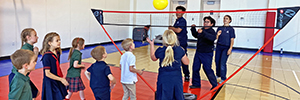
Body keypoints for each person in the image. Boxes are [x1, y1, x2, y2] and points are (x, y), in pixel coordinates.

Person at [146, 30, 189, 100]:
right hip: (176, 78)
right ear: (175, 39)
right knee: (177, 96)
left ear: (164, 39)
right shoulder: (179, 50)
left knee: (163, 96)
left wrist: (151, 45)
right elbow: (186, 62)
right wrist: (183, 53)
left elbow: (153, 58)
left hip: (163, 78)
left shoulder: (160, 50)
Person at [8, 28, 40, 100]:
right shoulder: (26, 49)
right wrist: (35, 54)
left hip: (24, 75)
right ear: (28, 37)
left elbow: (32, 61)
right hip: (17, 75)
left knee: (33, 93)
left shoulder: (30, 48)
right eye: (35, 35)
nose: (37, 37)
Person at [189, 16, 218, 89]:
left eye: (207, 22)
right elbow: (196, 36)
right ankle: (196, 84)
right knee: (195, 68)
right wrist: (193, 29)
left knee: (207, 69)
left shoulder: (212, 32)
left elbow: (212, 38)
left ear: (211, 24)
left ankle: (215, 85)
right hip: (198, 52)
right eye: (205, 21)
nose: (205, 23)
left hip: (207, 53)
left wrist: (203, 32)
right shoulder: (202, 29)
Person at [40, 32, 68, 100]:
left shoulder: (57, 52)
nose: (59, 42)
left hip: (56, 79)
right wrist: (61, 79)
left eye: (59, 40)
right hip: (50, 82)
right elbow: (47, 73)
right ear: (50, 43)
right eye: (57, 40)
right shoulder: (47, 56)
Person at [168, 6, 190, 81]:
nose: (178, 13)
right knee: (174, 57)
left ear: (183, 13)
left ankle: (187, 75)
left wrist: (171, 28)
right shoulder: (177, 20)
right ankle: (175, 73)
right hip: (175, 42)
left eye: (180, 12)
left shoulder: (182, 21)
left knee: (183, 57)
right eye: (177, 11)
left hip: (182, 42)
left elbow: (178, 30)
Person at [215, 15, 235, 83]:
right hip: (219, 47)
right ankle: (218, 75)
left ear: (230, 20)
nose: (225, 20)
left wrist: (230, 49)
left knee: (222, 63)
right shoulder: (219, 28)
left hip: (226, 47)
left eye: (226, 19)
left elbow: (232, 39)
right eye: (224, 18)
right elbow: (216, 38)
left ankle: (223, 78)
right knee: (217, 61)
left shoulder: (231, 29)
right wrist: (217, 34)